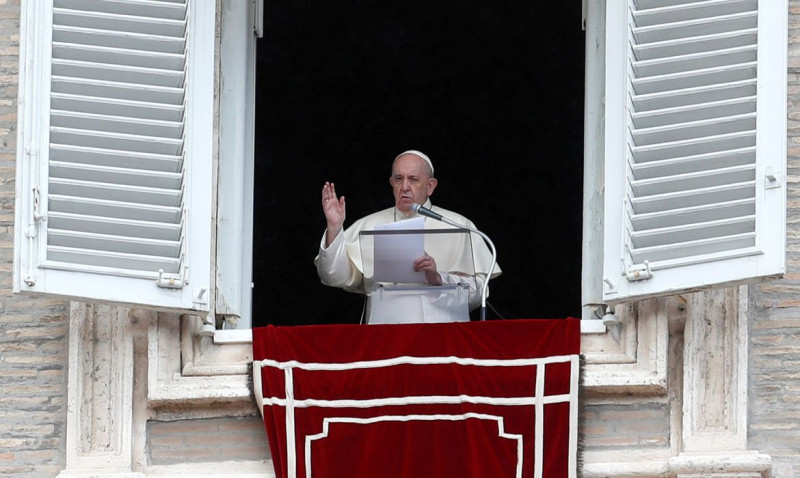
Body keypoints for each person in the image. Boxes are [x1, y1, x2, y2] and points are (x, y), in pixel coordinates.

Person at [315, 150, 501, 323]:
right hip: (385, 335)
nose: (405, 187)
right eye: (399, 179)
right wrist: (334, 227)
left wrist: (439, 278)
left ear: (430, 186)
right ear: (391, 183)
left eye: (413, 179)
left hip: (443, 335)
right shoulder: (368, 225)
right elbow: (333, 277)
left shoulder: (459, 225)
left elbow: (478, 294)